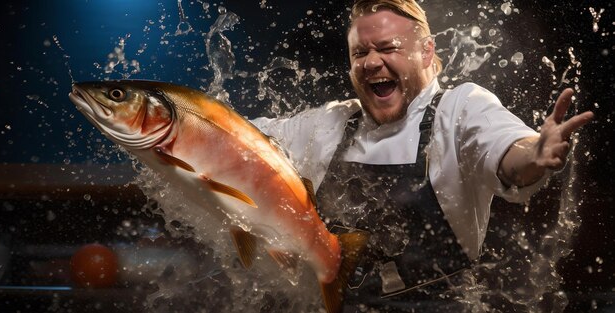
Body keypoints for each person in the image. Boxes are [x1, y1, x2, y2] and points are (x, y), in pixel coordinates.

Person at [252, 0, 594, 311]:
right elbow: (239, 136)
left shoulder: (460, 108)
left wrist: (534, 153)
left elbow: (507, 152)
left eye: (388, 48)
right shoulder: (332, 122)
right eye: (359, 53)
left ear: (427, 51)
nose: (371, 62)